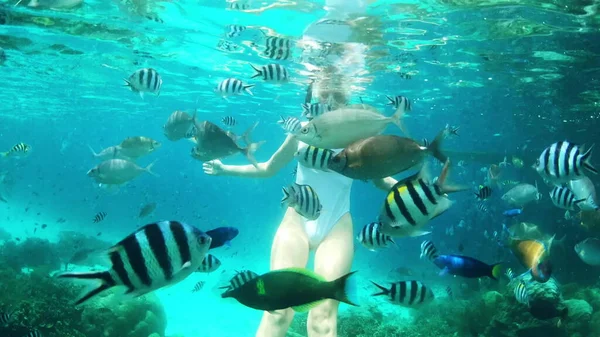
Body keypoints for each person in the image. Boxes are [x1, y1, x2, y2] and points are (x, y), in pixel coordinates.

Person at [203, 1, 389, 336]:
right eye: (323, 90)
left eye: (339, 93)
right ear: (311, 92)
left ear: (350, 97)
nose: (331, 94)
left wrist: (420, 193)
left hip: (337, 227)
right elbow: (268, 169)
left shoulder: (360, 136)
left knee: (323, 316)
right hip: (296, 224)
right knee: (277, 312)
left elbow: (381, 179)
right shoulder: (301, 131)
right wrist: (223, 169)